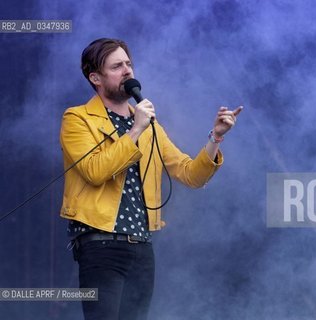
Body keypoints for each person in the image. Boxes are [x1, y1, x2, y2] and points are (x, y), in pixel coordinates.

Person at [59, 38, 242, 320]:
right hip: (101, 245)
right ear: (95, 77)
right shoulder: (78, 119)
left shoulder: (149, 125)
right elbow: (95, 171)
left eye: (129, 64)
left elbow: (189, 173)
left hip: (142, 249)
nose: (127, 71)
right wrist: (135, 130)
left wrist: (216, 137)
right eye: (117, 66)